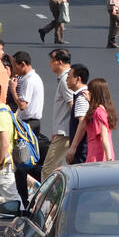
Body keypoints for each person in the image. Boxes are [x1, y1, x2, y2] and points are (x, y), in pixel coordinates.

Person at [10, 51, 49, 208]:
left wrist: (13, 89)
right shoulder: (31, 78)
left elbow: (23, 105)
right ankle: (28, 198)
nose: (14, 70)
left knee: (22, 164)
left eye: (15, 66)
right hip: (30, 123)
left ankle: (25, 201)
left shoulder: (29, 80)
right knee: (25, 162)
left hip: (29, 124)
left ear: (23, 64)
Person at [41, 48, 74, 179]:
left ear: (59, 62)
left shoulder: (66, 80)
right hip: (62, 131)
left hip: (64, 133)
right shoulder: (66, 78)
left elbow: (73, 105)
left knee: (48, 170)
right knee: (57, 170)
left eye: (51, 60)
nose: (50, 63)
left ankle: (47, 199)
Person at [66, 77, 116, 163]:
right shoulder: (103, 109)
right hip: (99, 155)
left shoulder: (98, 112)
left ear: (95, 93)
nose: (87, 92)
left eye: (90, 90)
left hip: (98, 156)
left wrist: (109, 159)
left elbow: (104, 137)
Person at [65, 64, 90, 166]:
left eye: (69, 76)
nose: (66, 79)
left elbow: (83, 122)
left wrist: (73, 147)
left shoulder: (81, 98)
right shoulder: (84, 95)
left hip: (81, 151)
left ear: (78, 79)